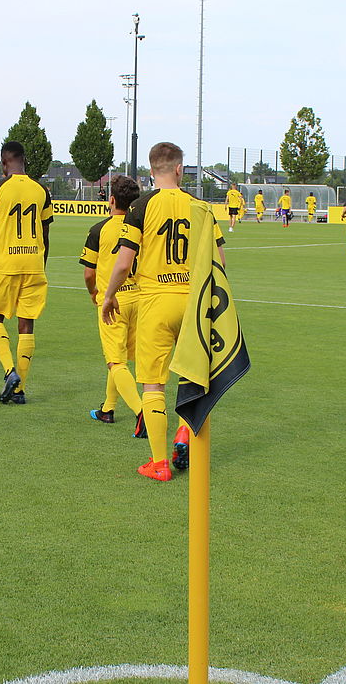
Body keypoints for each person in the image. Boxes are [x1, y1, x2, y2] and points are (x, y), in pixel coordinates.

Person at [100, 142, 225, 482]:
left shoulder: (141, 206)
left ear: (151, 171)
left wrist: (109, 295)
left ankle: (158, 464)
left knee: (153, 385)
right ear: (180, 169)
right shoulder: (201, 207)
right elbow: (220, 262)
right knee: (192, 377)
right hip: (192, 302)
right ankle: (184, 435)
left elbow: (124, 262)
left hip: (154, 301)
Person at [0, 141, 53, 405]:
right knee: (26, 324)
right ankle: (20, 391)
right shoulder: (42, 190)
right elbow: (46, 234)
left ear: (4, 162)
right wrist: (41, 265)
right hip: (33, 263)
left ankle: (9, 372)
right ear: (24, 160)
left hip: (6, 264)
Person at [81, 175, 144, 435]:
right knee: (121, 359)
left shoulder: (99, 230)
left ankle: (143, 413)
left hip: (113, 301)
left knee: (115, 362)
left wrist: (94, 292)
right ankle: (108, 409)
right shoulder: (141, 227)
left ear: (112, 199)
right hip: (139, 299)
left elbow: (88, 273)